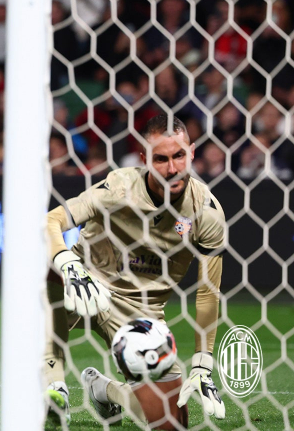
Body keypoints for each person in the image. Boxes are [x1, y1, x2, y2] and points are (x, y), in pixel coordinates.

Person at [44, 115, 226, 429]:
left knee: (170, 423)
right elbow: (50, 221)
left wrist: (202, 365)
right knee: (44, 262)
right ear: (144, 159)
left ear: (192, 152)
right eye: (161, 159)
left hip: (141, 311)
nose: (172, 168)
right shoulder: (119, 187)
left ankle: (104, 390)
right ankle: (53, 385)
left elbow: (208, 293)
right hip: (84, 282)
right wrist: (67, 263)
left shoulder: (207, 213)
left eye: (179, 156)